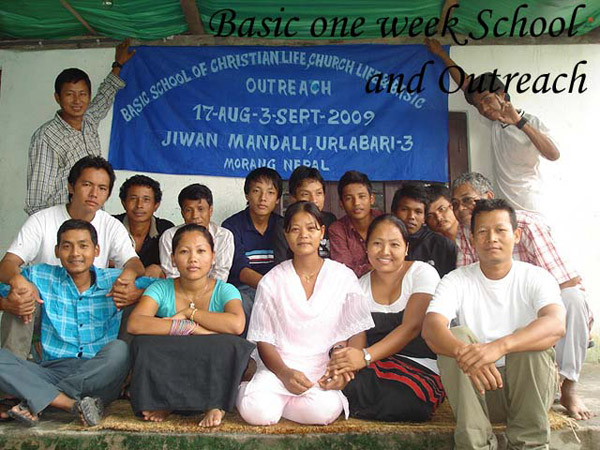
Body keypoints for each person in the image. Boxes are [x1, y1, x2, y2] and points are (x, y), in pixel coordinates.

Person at [422, 199, 566, 450]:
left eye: (500, 230)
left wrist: (499, 347)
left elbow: (555, 324)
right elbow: (431, 328)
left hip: (527, 390)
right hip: (478, 392)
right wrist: (466, 354)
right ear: (472, 238)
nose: (492, 239)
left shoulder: (536, 277)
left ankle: (529, 444)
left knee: (531, 340)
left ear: (517, 235)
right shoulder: (456, 280)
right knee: (456, 336)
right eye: (483, 232)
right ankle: (474, 445)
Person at [451, 172, 592, 420]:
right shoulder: (465, 233)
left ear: (488, 197)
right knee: (454, 319)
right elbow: (464, 280)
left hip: (535, 311)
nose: (461, 208)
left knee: (573, 298)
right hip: (496, 312)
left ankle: (568, 387)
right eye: (456, 204)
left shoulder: (525, 225)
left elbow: (565, 280)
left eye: (467, 200)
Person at [0, 220, 154, 427]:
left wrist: (138, 291)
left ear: (97, 250)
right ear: (56, 251)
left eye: (83, 245)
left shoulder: (116, 280)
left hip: (101, 373)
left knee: (119, 350)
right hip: (50, 369)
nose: (75, 253)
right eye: (66, 246)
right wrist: (16, 284)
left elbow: (165, 288)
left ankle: (38, 397)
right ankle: (70, 404)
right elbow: (5, 281)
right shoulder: (38, 275)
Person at [236, 202, 374, 425]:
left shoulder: (343, 276)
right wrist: (284, 374)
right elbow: (264, 341)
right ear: (286, 235)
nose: (304, 235)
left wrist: (344, 369)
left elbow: (357, 330)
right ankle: (261, 395)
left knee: (324, 412)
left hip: (323, 369)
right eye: (295, 229)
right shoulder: (272, 280)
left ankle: (283, 404)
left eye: (311, 228)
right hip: (278, 368)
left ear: (322, 231)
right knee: (257, 412)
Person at [0, 156, 144, 360]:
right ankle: (12, 377)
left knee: (137, 299)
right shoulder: (42, 220)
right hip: (47, 305)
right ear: (71, 186)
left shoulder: (111, 225)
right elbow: (7, 265)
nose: (94, 193)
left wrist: (129, 276)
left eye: (102, 188)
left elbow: (135, 264)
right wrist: (19, 281)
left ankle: (123, 376)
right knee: (21, 296)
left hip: (90, 308)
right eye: (87, 184)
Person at [127, 224, 253, 427]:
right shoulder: (160, 287)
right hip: (173, 360)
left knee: (231, 346)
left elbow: (237, 324)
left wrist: (190, 315)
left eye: (201, 251)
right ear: (173, 258)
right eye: (184, 251)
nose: (193, 258)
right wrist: (184, 328)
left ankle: (214, 403)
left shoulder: (225, 289)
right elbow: (135, 323)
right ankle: (165, 401)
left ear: (213, 257)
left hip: (208, 360)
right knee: (144, 344)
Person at [326, 214, 445, 422]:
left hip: (421, 365)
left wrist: (364, 356)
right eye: (377, 244)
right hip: (378, 365)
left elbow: (412, 327)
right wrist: (348, 364)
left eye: (394, 244)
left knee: (407, 400)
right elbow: (357, 338)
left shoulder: (422, 273)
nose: (385, 252)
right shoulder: (359, 286)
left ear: (406, 247)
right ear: (366, 247)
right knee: (344, 383)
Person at [425, 38, 560, 215]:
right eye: (479, 105)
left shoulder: (530, 121)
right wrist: (442, 54)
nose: (484, 109)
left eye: (487, 100)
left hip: (531, 208)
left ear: (502, 95)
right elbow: (466, 85)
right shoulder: (495, 123)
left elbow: (553, 154)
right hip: (505, 210)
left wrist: (519, 123)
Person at [25, 40, 135, 216]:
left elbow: (104, 97)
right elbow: (36, 201)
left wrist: (118, 65)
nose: (77, 101)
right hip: (62, 225)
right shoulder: (47, 136)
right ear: (57, 97)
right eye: (70, 94)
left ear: (88, 96)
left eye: (82, 94)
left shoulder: (89, 121)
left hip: (91, 221)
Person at [222, 168, 288, 326]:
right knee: (243, 304)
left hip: (277, 289)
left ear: (278, 199)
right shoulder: (232, 226)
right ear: (247, 194)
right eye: (256, 191)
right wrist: (271, 289)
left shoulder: (283, 226)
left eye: (270, 193)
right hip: (244, 289)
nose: (263, 198)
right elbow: (241, 271)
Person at [159, 184, 234, 281]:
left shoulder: (223, 236)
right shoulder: (169, 236)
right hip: (178, 292)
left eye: (201, 209)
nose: (195, 216)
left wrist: (204, 294)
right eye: (189, 210)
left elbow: (220, 275)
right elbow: (173, 275)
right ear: (182, 213)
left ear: (210, 210)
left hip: (213, 293)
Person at [114, 175, 174, 278]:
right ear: (123, 203)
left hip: (153, 291)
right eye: (133, 198)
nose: (139, 205)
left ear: (156, 205)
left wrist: (160, 268)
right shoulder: (112, 225)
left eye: (146, 200)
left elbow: (176, 267)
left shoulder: (166, 230)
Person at [391, 183, 456, 277]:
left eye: (418, 212)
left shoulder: (442, 245)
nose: (411, 217)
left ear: (424, 218)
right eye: (404, 209)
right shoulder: (385, 241)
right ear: (394, 212)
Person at [329, 171, 382, 277]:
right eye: (349, 198)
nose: (356, 203)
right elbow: (344, 271)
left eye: (361, 196)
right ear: (341, 204)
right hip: (352, 288)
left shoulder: (384, 222)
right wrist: (375, 267)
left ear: (371, 199)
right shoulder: (337, 230)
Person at [284, 166, 337, 259]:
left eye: (319, 193)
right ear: (293, 198)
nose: (313, 200)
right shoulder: (286, 225)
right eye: (305, 194)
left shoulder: (330, 220)